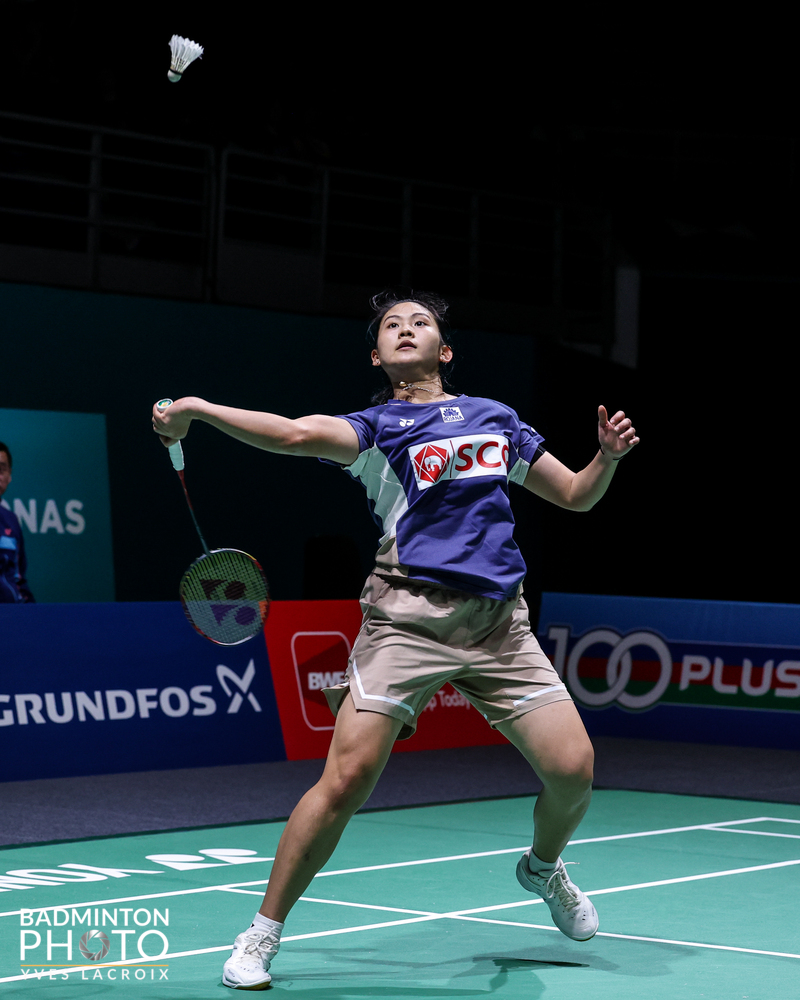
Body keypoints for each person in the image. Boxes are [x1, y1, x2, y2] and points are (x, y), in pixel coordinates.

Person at [152, 290, 639, 990]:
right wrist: (198, 409)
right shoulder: (376, 429)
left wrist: (606, 459)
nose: (405, 328)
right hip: (406, 620)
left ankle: (541, 868)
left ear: (445, 349)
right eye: (391, 325)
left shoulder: (496, 418)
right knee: (346, 779)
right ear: (378, 357)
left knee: (574, 770)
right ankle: (261, 933)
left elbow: (574, 495)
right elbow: (291, 434)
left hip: (499, 625)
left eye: (421, 322)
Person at [0, 441, 35, 604]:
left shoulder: (11, 520)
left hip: (13, 614)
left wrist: (30, 612)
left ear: (9, 476)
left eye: (1, 470)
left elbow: (19, 579)